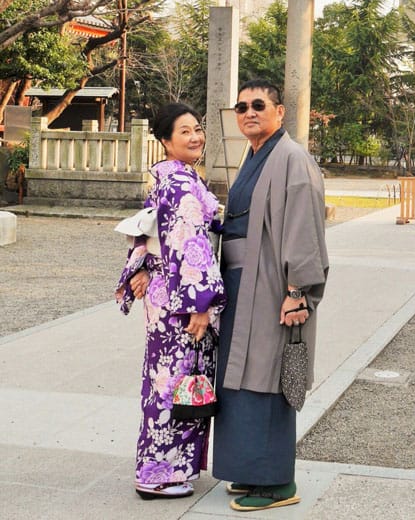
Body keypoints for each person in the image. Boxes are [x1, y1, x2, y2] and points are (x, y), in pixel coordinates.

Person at [212, 78, 330, 512]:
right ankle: (249, 469)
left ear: (279, 112)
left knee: (267, 375)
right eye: (241, 107)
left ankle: (277, 481)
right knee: (239, 376)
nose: (249, 113)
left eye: (258, 105)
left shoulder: (293, 159)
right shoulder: (254, 156)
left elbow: (304, 229)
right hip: (241, 283)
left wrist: (298, 292)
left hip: (273, 286)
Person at [115, 103, 226, 500]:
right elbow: (187, 245)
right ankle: (156, 475)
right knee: (174, 381)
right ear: (165, 140)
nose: (195, 137)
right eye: (185, 132)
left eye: (197, 129)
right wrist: (200, 303)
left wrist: (147, 267)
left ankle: (166, 467)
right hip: (181, 298)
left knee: (167, 379)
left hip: (166, 292)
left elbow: (150, 230)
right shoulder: (179, 182)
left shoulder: (173, 177)